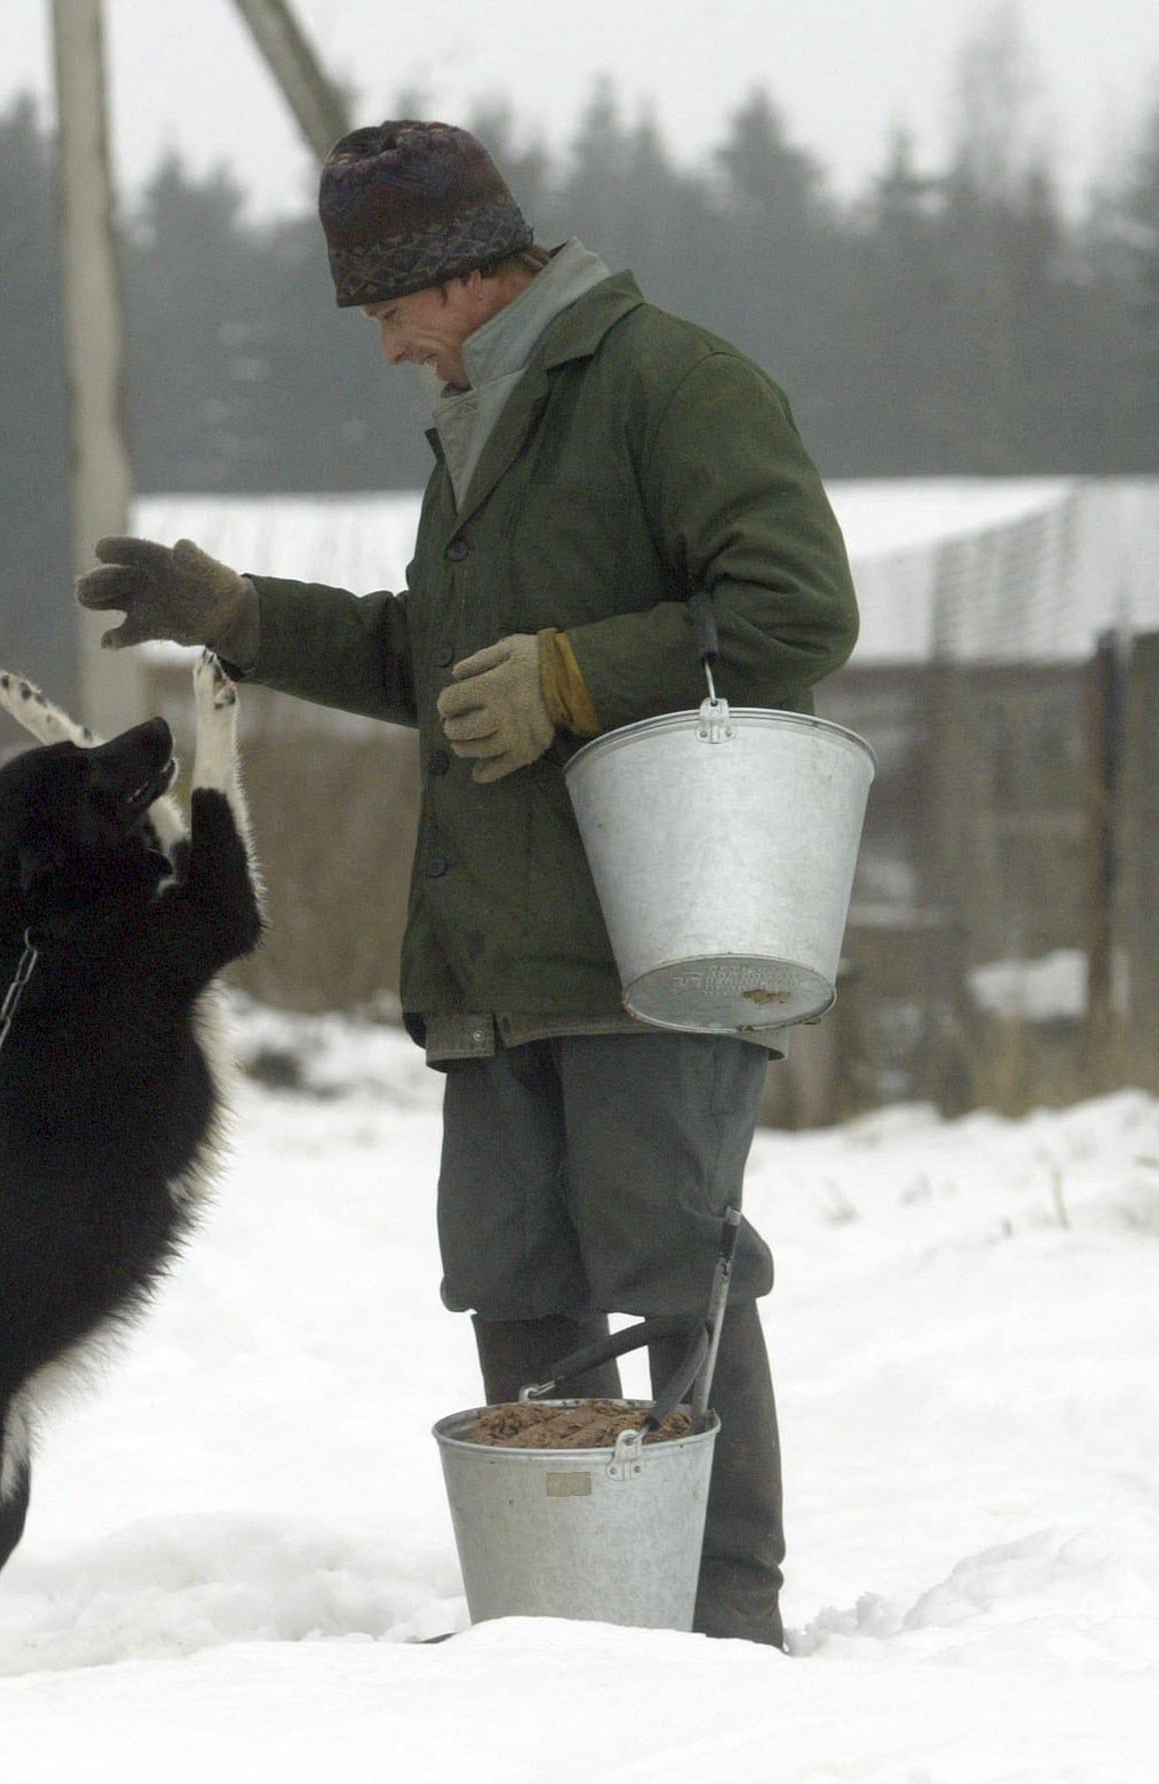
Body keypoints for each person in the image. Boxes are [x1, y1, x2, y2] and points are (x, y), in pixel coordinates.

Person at [77, 120, 858, 1649]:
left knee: (675, 1265)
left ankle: (724, 1614)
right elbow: (430, 665)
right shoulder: (478, 418)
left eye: (387, 310)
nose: (383, 348)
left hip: (652, 930)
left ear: (462, 274)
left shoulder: (671, 386)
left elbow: (797, 610)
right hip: (497, 948)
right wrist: (242, 614)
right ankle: (564, 1615)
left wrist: (578, 675)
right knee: (514, 1273)